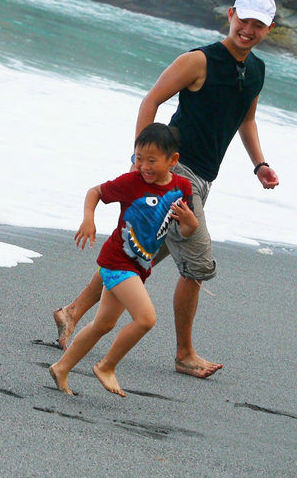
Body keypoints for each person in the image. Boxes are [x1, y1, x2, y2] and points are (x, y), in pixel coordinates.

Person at [53, 0, 280, 379]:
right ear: (231, 15)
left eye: (258, 24)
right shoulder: (198, 60)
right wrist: (141, 163)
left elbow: (246, 121)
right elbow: (151, 101)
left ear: (268, 29)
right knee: (197, 266)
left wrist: (259, 164)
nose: (247, 29)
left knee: (139, 253)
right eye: (243, 20)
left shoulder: (256, 70)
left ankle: (71, 312)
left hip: (204, 178)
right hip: (176, 174)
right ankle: (184, 354)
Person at [49, 123, 198, 396]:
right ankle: (107, 366)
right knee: (146, 319)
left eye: (151, 160)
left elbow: (186, 230)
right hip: (117, 261)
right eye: (138, 158)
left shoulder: (182, 188)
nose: (143, 166)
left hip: (139, 266)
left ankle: (61, 367)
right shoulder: (131, 183)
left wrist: (191, 223)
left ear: (172, 161)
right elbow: (95, 192)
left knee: (103, 324)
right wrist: (88, 219)